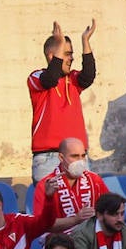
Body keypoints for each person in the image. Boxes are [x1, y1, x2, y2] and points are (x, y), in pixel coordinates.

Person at [28, 22, 97, 181]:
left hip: (79, 158)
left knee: (82, 205)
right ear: (52, 56)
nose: (71, 58)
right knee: (52, 205)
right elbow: (50, 79)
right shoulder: (36, 77)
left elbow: (88, 75)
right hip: (48, 157)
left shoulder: (72, 80)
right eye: (67, 53)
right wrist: (58, 43)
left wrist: (85, 41)